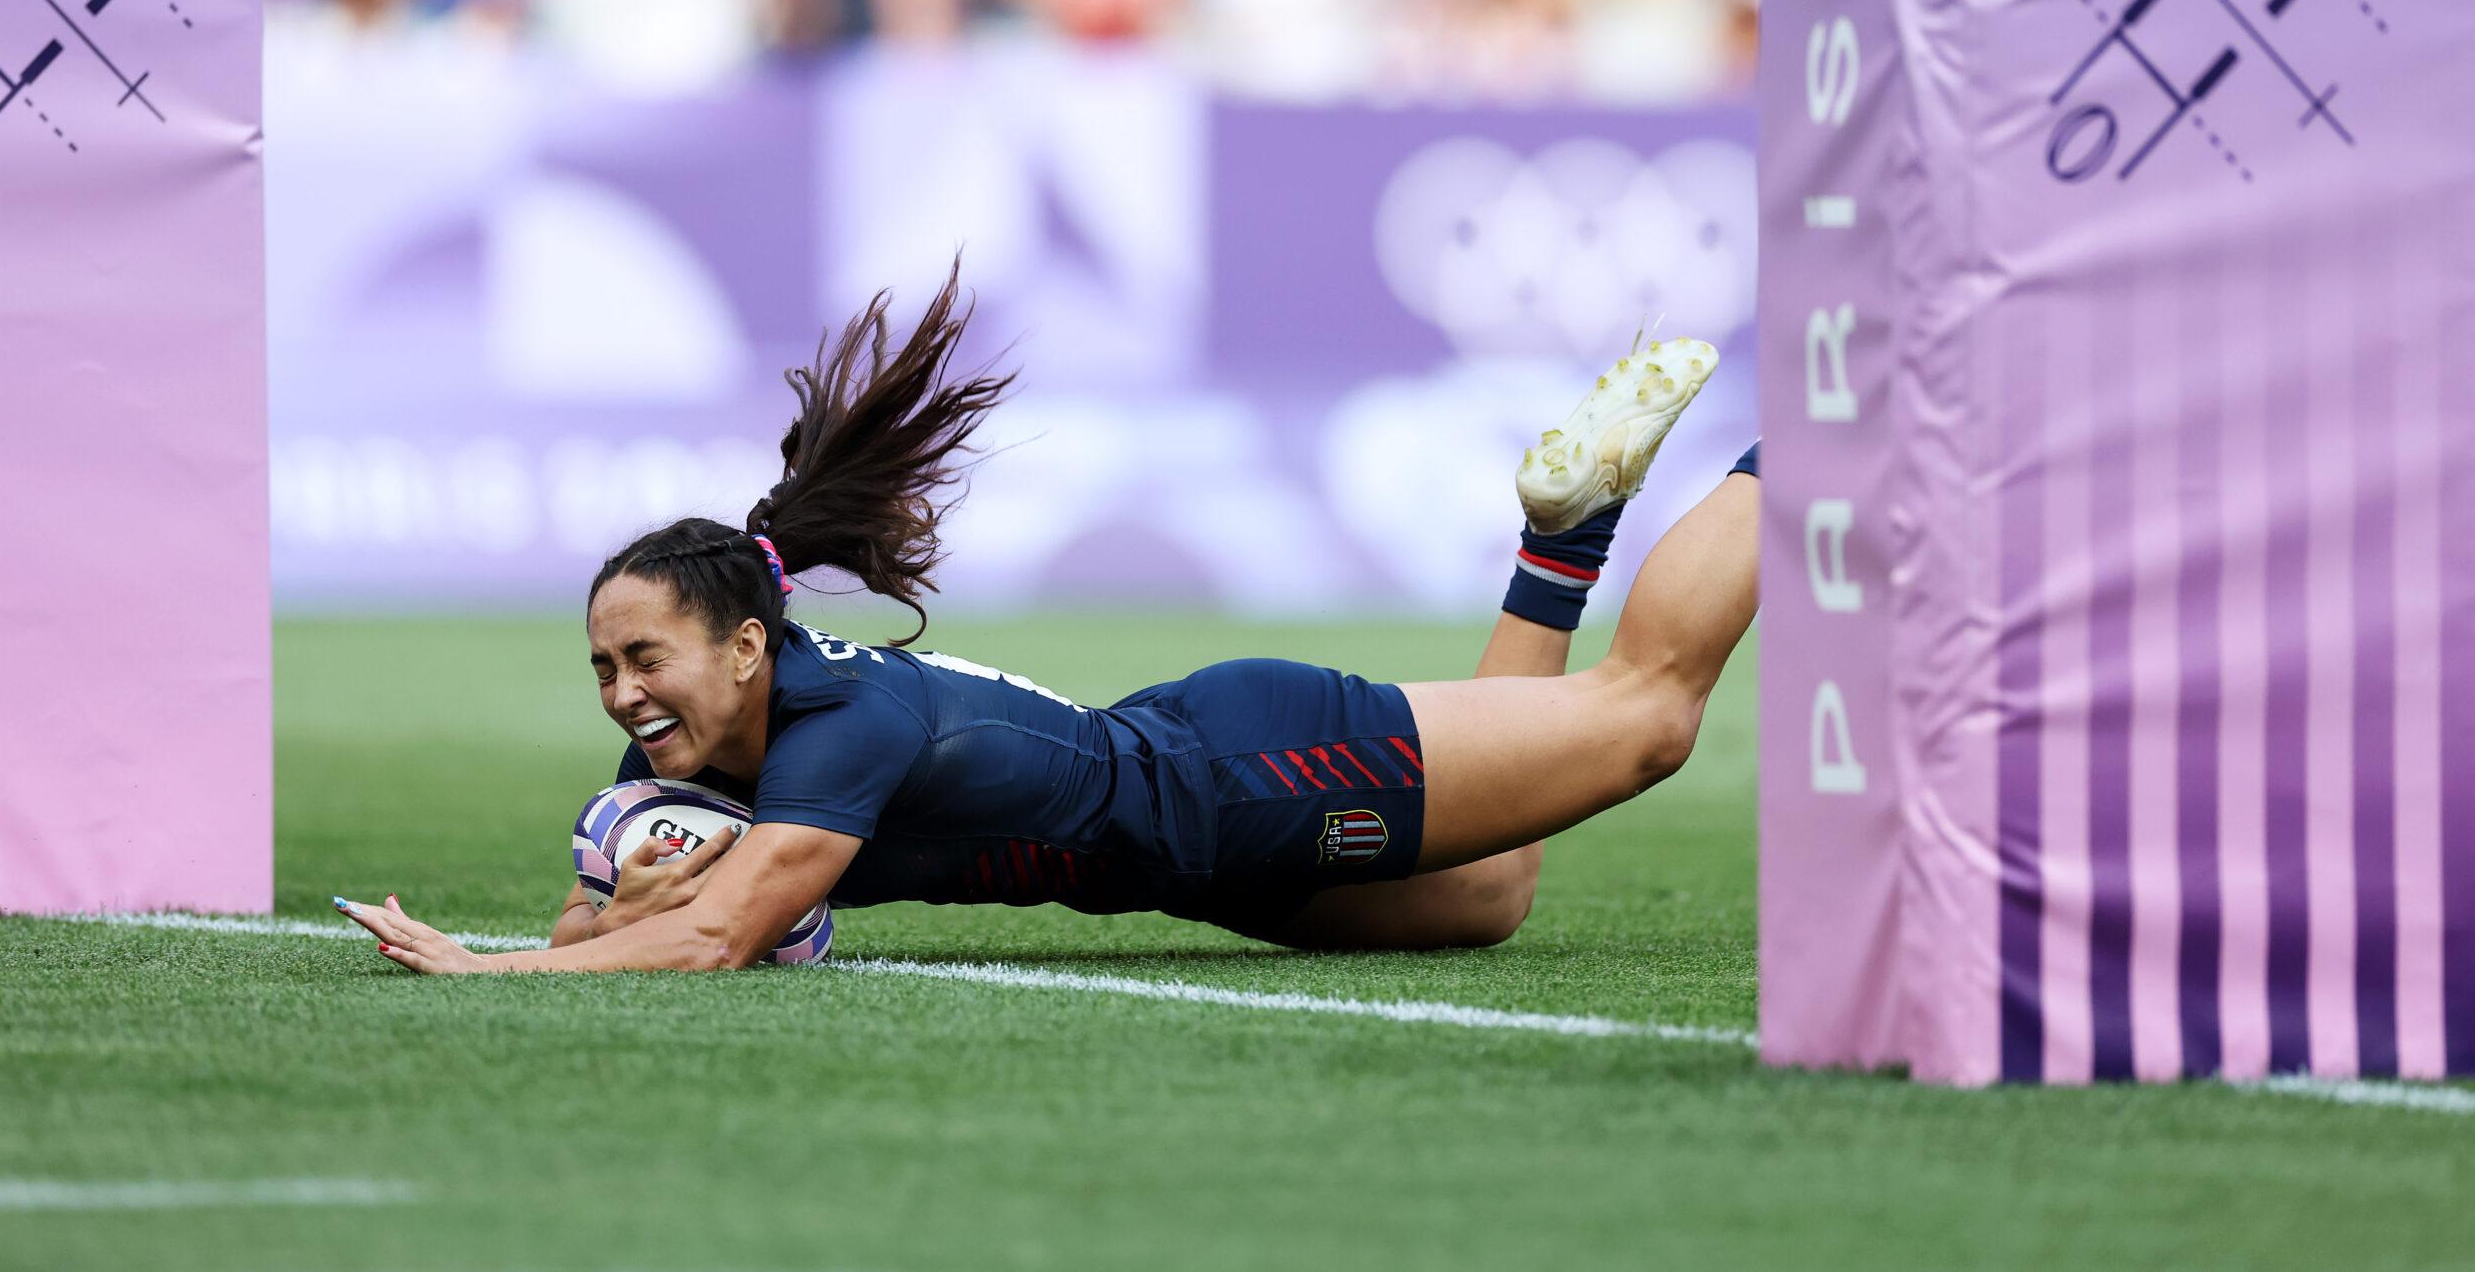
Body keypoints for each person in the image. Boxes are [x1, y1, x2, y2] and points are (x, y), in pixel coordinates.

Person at [337, 272, 1759, 973]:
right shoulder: (688, 753)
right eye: (603, 666)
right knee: (1489, 895)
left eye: (645, 658)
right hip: (1198, 849)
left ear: (749, 646)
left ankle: (1811, 431)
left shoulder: (839, 717)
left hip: (1250, 779)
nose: (622, 692)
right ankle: (1564, 535)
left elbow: (721, 934)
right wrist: (572, 931)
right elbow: (608, 914)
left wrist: (491, 971)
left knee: (1649, 716)